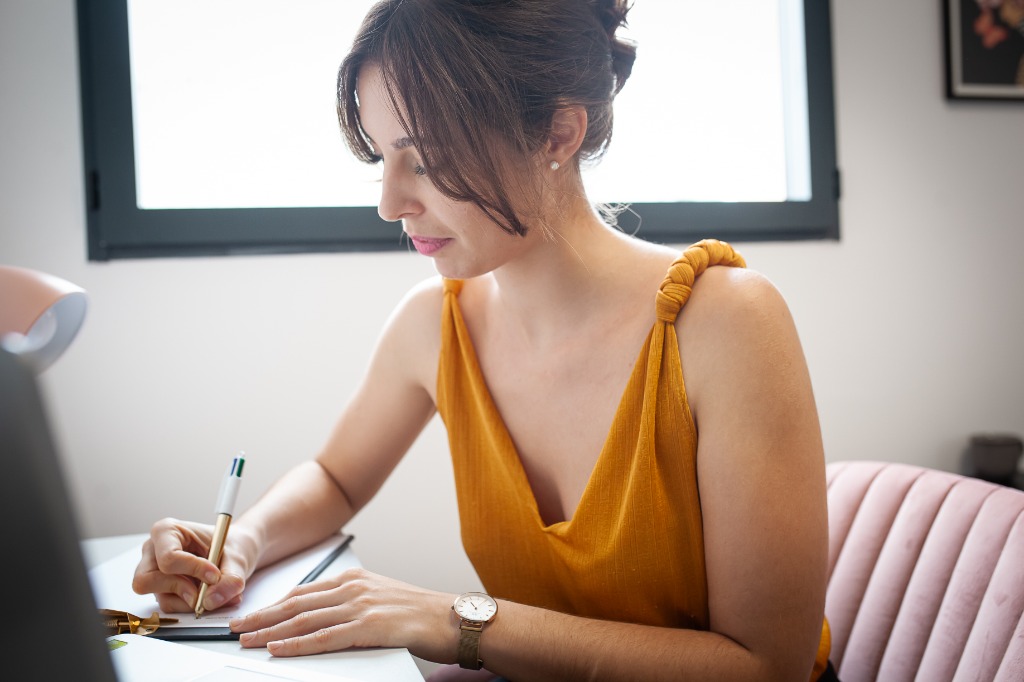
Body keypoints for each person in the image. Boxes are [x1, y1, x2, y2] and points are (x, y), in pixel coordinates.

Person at [132, 1, 835, 679]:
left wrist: (458, 623)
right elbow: (336, 478)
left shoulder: (726, 323)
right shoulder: (435, 325)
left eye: (425, 159)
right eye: (381, 158)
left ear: (557, 134)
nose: (389, 204)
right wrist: (240, 542)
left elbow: (764, 666)